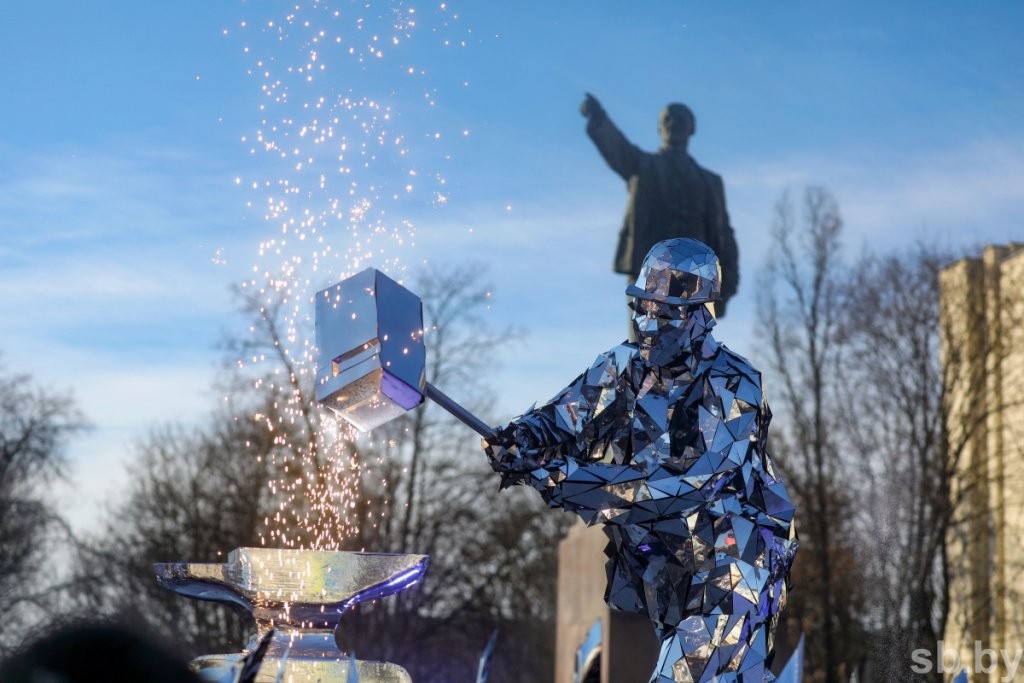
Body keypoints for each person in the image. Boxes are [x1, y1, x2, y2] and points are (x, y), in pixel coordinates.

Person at [484, 239, 796, 682]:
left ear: (699, 316)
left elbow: (689, 485)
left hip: (734, 566)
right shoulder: (623, 367)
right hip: (668, 572)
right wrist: (518, 440)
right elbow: (564, 419)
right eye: (642, 307)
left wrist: (568, 480)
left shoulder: (733, 382)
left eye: (663, 313)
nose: (648, 323)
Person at [582, 94, 739, 317]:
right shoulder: (644, 166)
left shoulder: (710, 182)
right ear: (659, 128)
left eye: (680, 119)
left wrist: (727, 285)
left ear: (692, 128)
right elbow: (619, 150)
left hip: (696, 278)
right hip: (653, 274)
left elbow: (723, 235)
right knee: (651, 337)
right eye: (667, 119)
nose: (673, 124)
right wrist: (599, 118)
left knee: (691, 338)